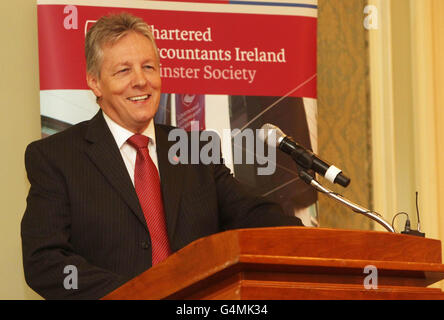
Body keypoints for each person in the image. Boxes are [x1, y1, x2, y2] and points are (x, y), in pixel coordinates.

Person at [21, 12, 303, 300]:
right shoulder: (57, 157)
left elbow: (250, 213)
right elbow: (45, 263)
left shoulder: (195, 149)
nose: (141, 81)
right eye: (123, 71)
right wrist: (135, 294)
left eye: (148, 67)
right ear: (95, 83)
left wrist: (307, 240)